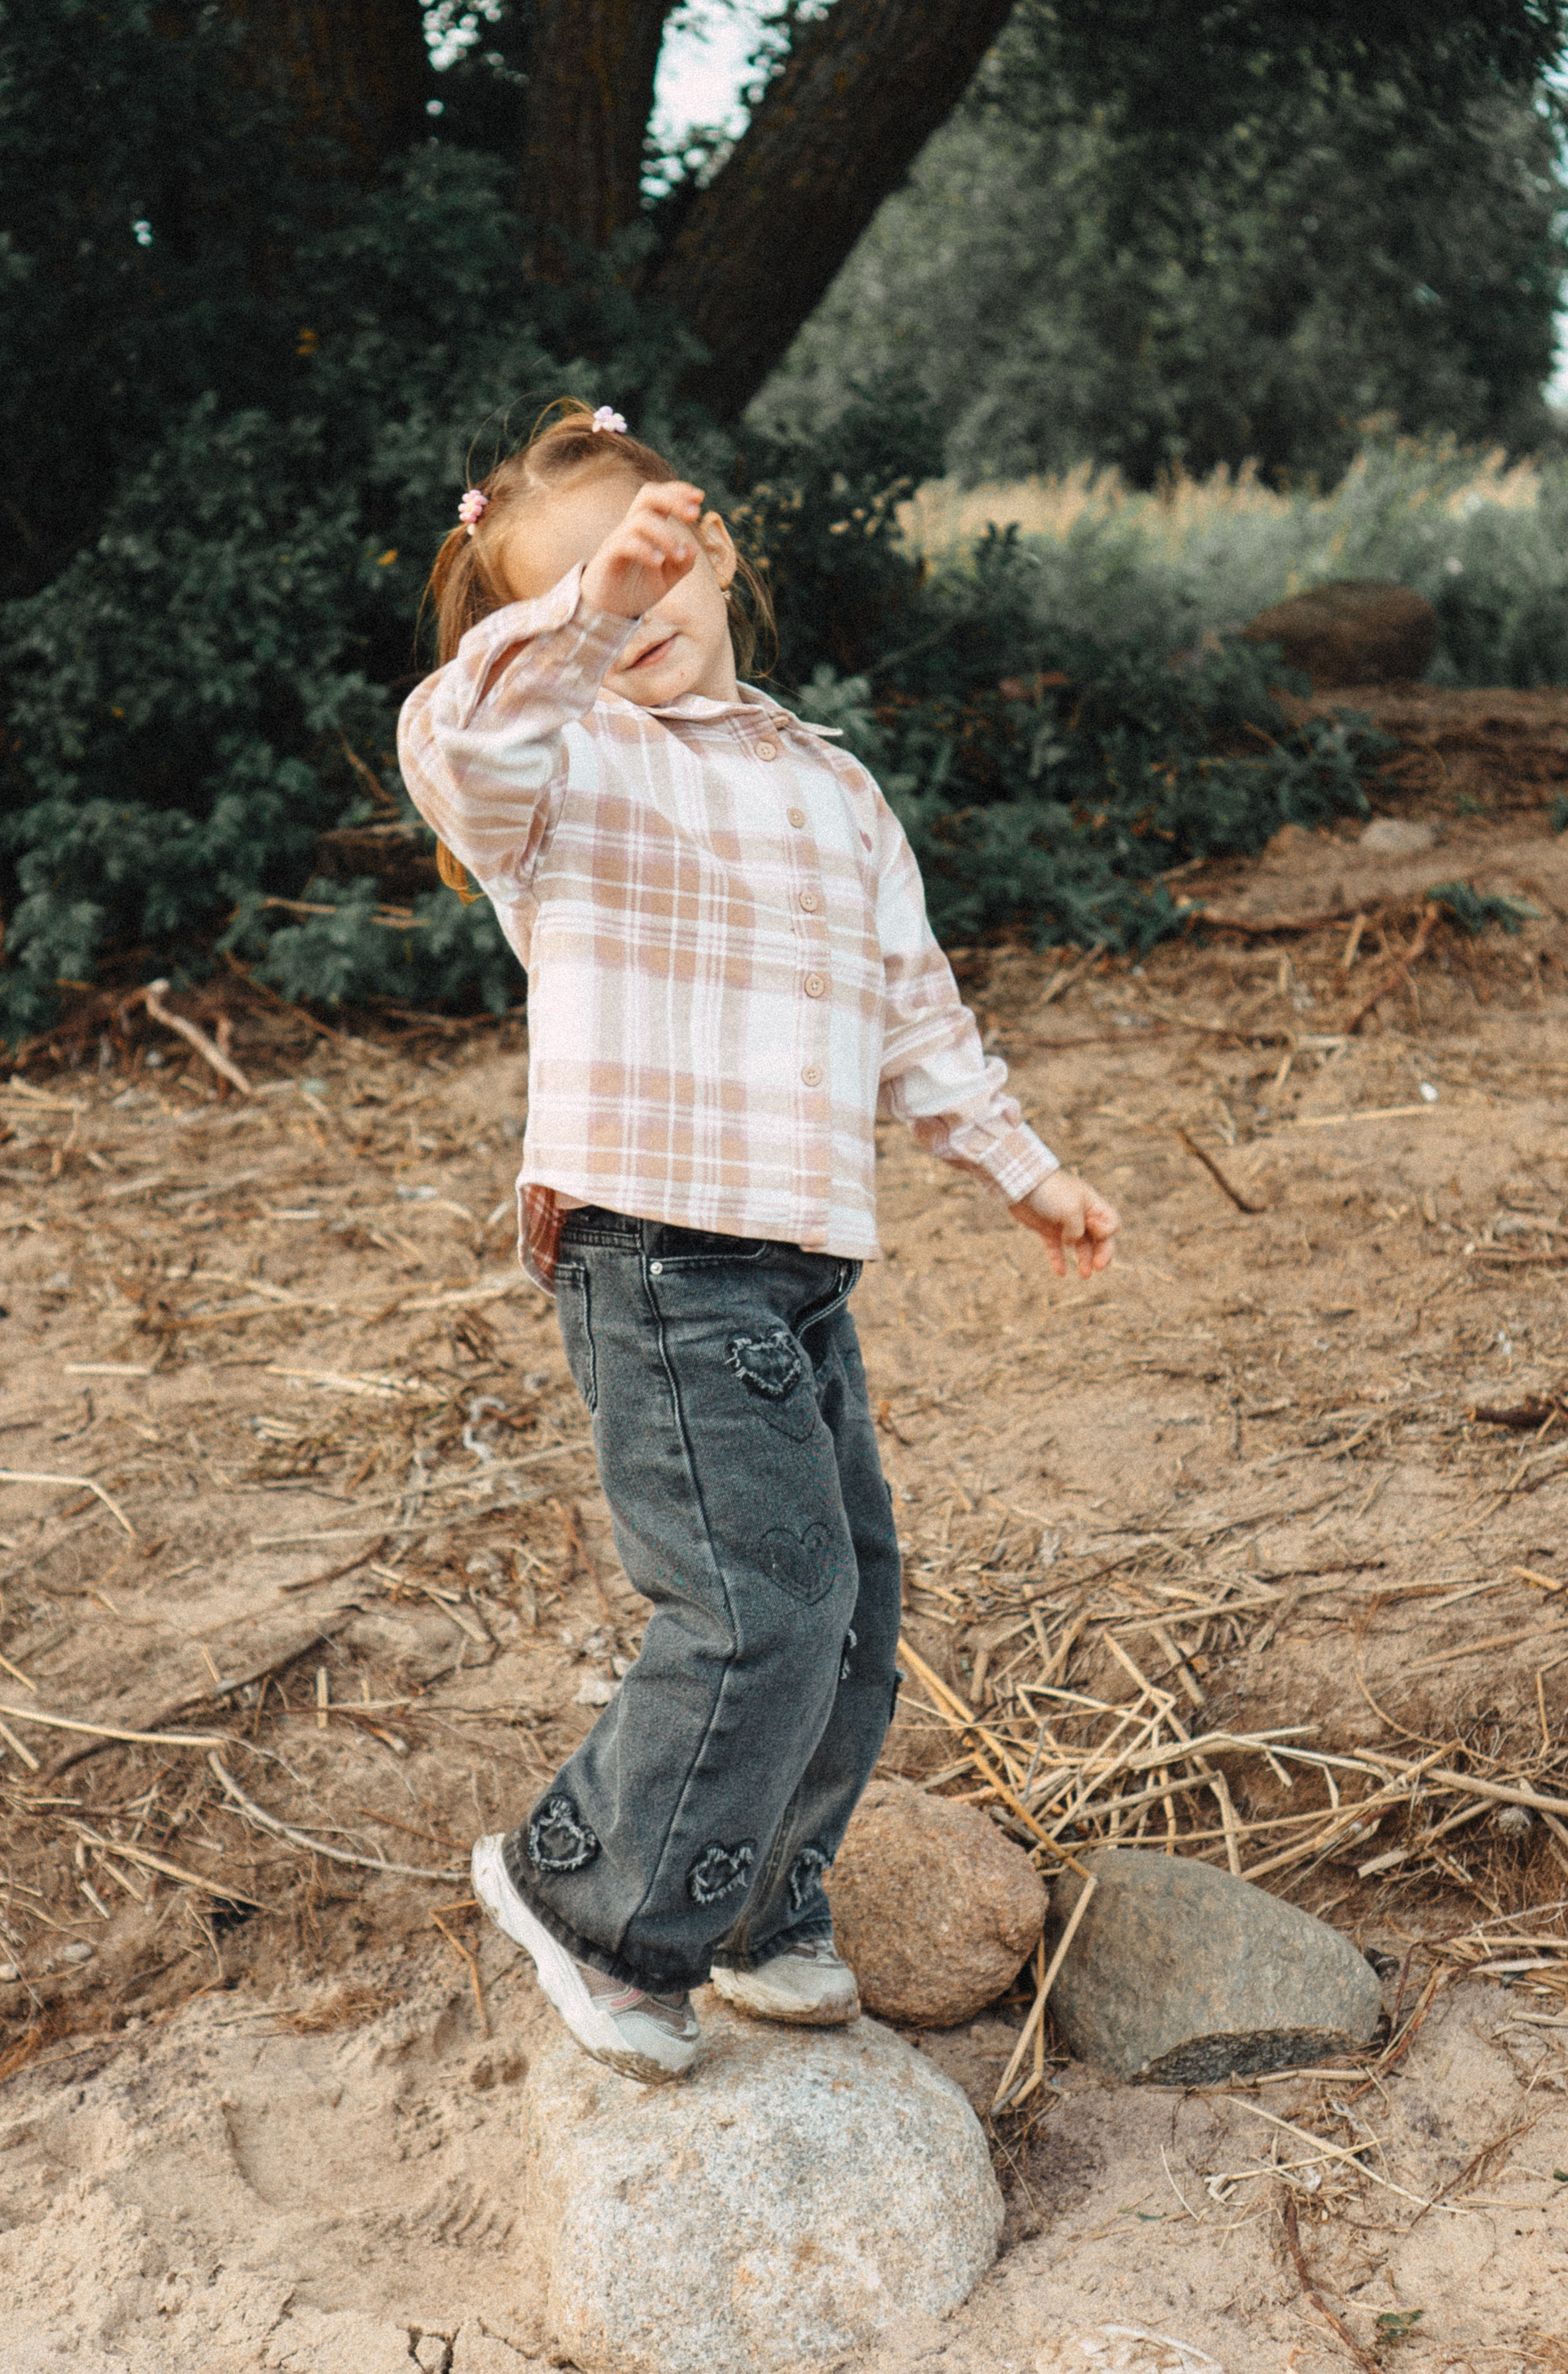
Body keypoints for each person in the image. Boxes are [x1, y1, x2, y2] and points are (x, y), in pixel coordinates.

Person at [397, 400, 1119, 2085]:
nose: (628, 605)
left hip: (795, 1261)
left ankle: (755, 1901)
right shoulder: (557, 768)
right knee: (751, 1603)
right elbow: (457, 736)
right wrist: (573, 622)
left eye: (652, 568)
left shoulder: (831, 788)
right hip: (650, 1250)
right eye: (578, 588)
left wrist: (1019, 1168)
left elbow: (909, 1012)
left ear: (717, 550)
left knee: (852, 1604)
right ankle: (591, 1900)